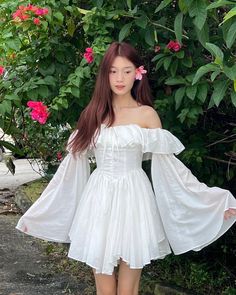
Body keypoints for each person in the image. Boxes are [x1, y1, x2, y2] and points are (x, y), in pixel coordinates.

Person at [16, 42, 236, 295]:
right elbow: (70, 169)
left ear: (138, 73)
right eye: (113, 71)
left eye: (127, 71)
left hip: (134, 199)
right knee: (104, 287)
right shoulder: (93, 114)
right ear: (104, 75)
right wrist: (41, 212)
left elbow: (171, 169)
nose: (120, 78)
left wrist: (212, 201)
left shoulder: (147, 115)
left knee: (128, 289)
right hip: (98, 199)